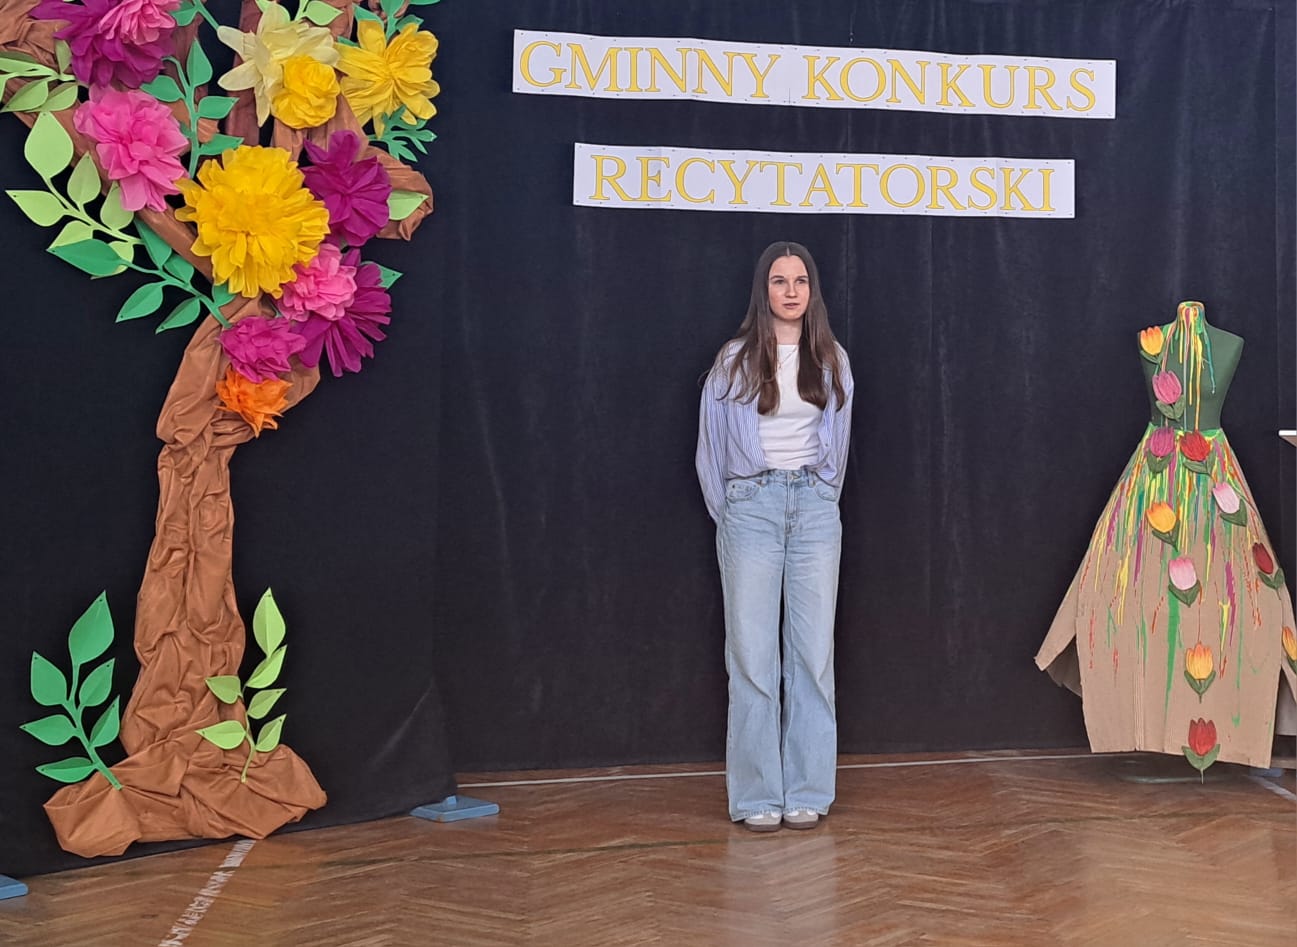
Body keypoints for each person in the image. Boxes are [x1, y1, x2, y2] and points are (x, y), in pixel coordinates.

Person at [696, 241, 854, 831]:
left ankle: (808, 789)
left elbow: (837, 447)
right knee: (752, 656)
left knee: (812, 656)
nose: (791, 291)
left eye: (801, 281)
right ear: (763, 290)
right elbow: (710, 451)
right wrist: (738, 510)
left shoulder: (832, 358)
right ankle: (758, 795)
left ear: (813, 291)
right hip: (751, 507)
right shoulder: (734, 360)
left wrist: (818, 497)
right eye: (780, 281)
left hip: (813, 508)